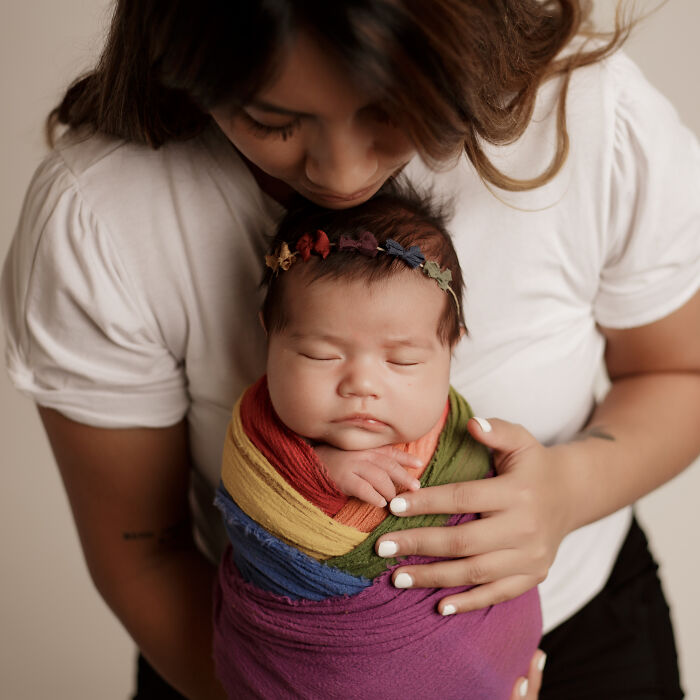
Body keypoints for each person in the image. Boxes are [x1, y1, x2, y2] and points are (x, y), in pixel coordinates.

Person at [1, 1, 698, 698]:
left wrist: (568, 494)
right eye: (271, 120)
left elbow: (681, 369)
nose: (340, 173)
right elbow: (142, 552)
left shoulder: (587, 118)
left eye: (390, 110)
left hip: (581, 634)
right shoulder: (101, 215)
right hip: (258, 663)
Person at [212, 185, 542, 698]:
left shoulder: (464, 444)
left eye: (403, 361)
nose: (361, 384)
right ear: (268, 336)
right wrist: (316, 472)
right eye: (322, 355)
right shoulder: (258, 443)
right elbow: (262, 506)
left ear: (451, 347)